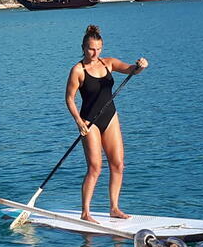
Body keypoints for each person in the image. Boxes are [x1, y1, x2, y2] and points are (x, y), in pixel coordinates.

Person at [63, 24, 147, 221]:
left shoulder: (108, 63)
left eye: (99, 49)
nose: (95, 53)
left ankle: (114, 208)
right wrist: (78, 122)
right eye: (91, 49)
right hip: (88, 121)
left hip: (110, 117)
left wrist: (140, 66)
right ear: (83, 47)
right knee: (95, 168)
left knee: (118, 164)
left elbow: (131, 70)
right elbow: (69, 98)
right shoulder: (78, 70)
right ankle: (85, 213)